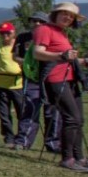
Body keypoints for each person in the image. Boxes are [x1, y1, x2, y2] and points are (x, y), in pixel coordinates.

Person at [33, 2, 88, 173]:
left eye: (71, 16)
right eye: (64, 13)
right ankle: (67, 159)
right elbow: (37, 53)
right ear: (55, 14)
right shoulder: (44, 29)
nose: (67, 17)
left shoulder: (62, 33)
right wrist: (61, 55)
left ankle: (79, 158)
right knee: (72, 118)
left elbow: (67, 58)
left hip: (71, 79)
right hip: (55, 79)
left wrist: (86, 61)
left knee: (79, 120)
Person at [11, 11, 58, 151]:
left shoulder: (52, 36)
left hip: (50, 78)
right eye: (34, 21)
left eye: (41, 21)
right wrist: (27, 62)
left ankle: (53, 144)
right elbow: (15, 56)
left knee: (52, 111)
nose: (37, 23)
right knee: (30, 109)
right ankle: (23, 141)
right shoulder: (23, 37)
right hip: (31, 79)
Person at [0, 22, 25, 147]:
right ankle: (9, 138)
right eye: (2, 33)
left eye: (8, 32)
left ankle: (22, 137)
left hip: (18, 84)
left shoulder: (20, 46)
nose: (5, 35)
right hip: (0, 84)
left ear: (14, 32)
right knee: (4, 113)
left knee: (21, 112)